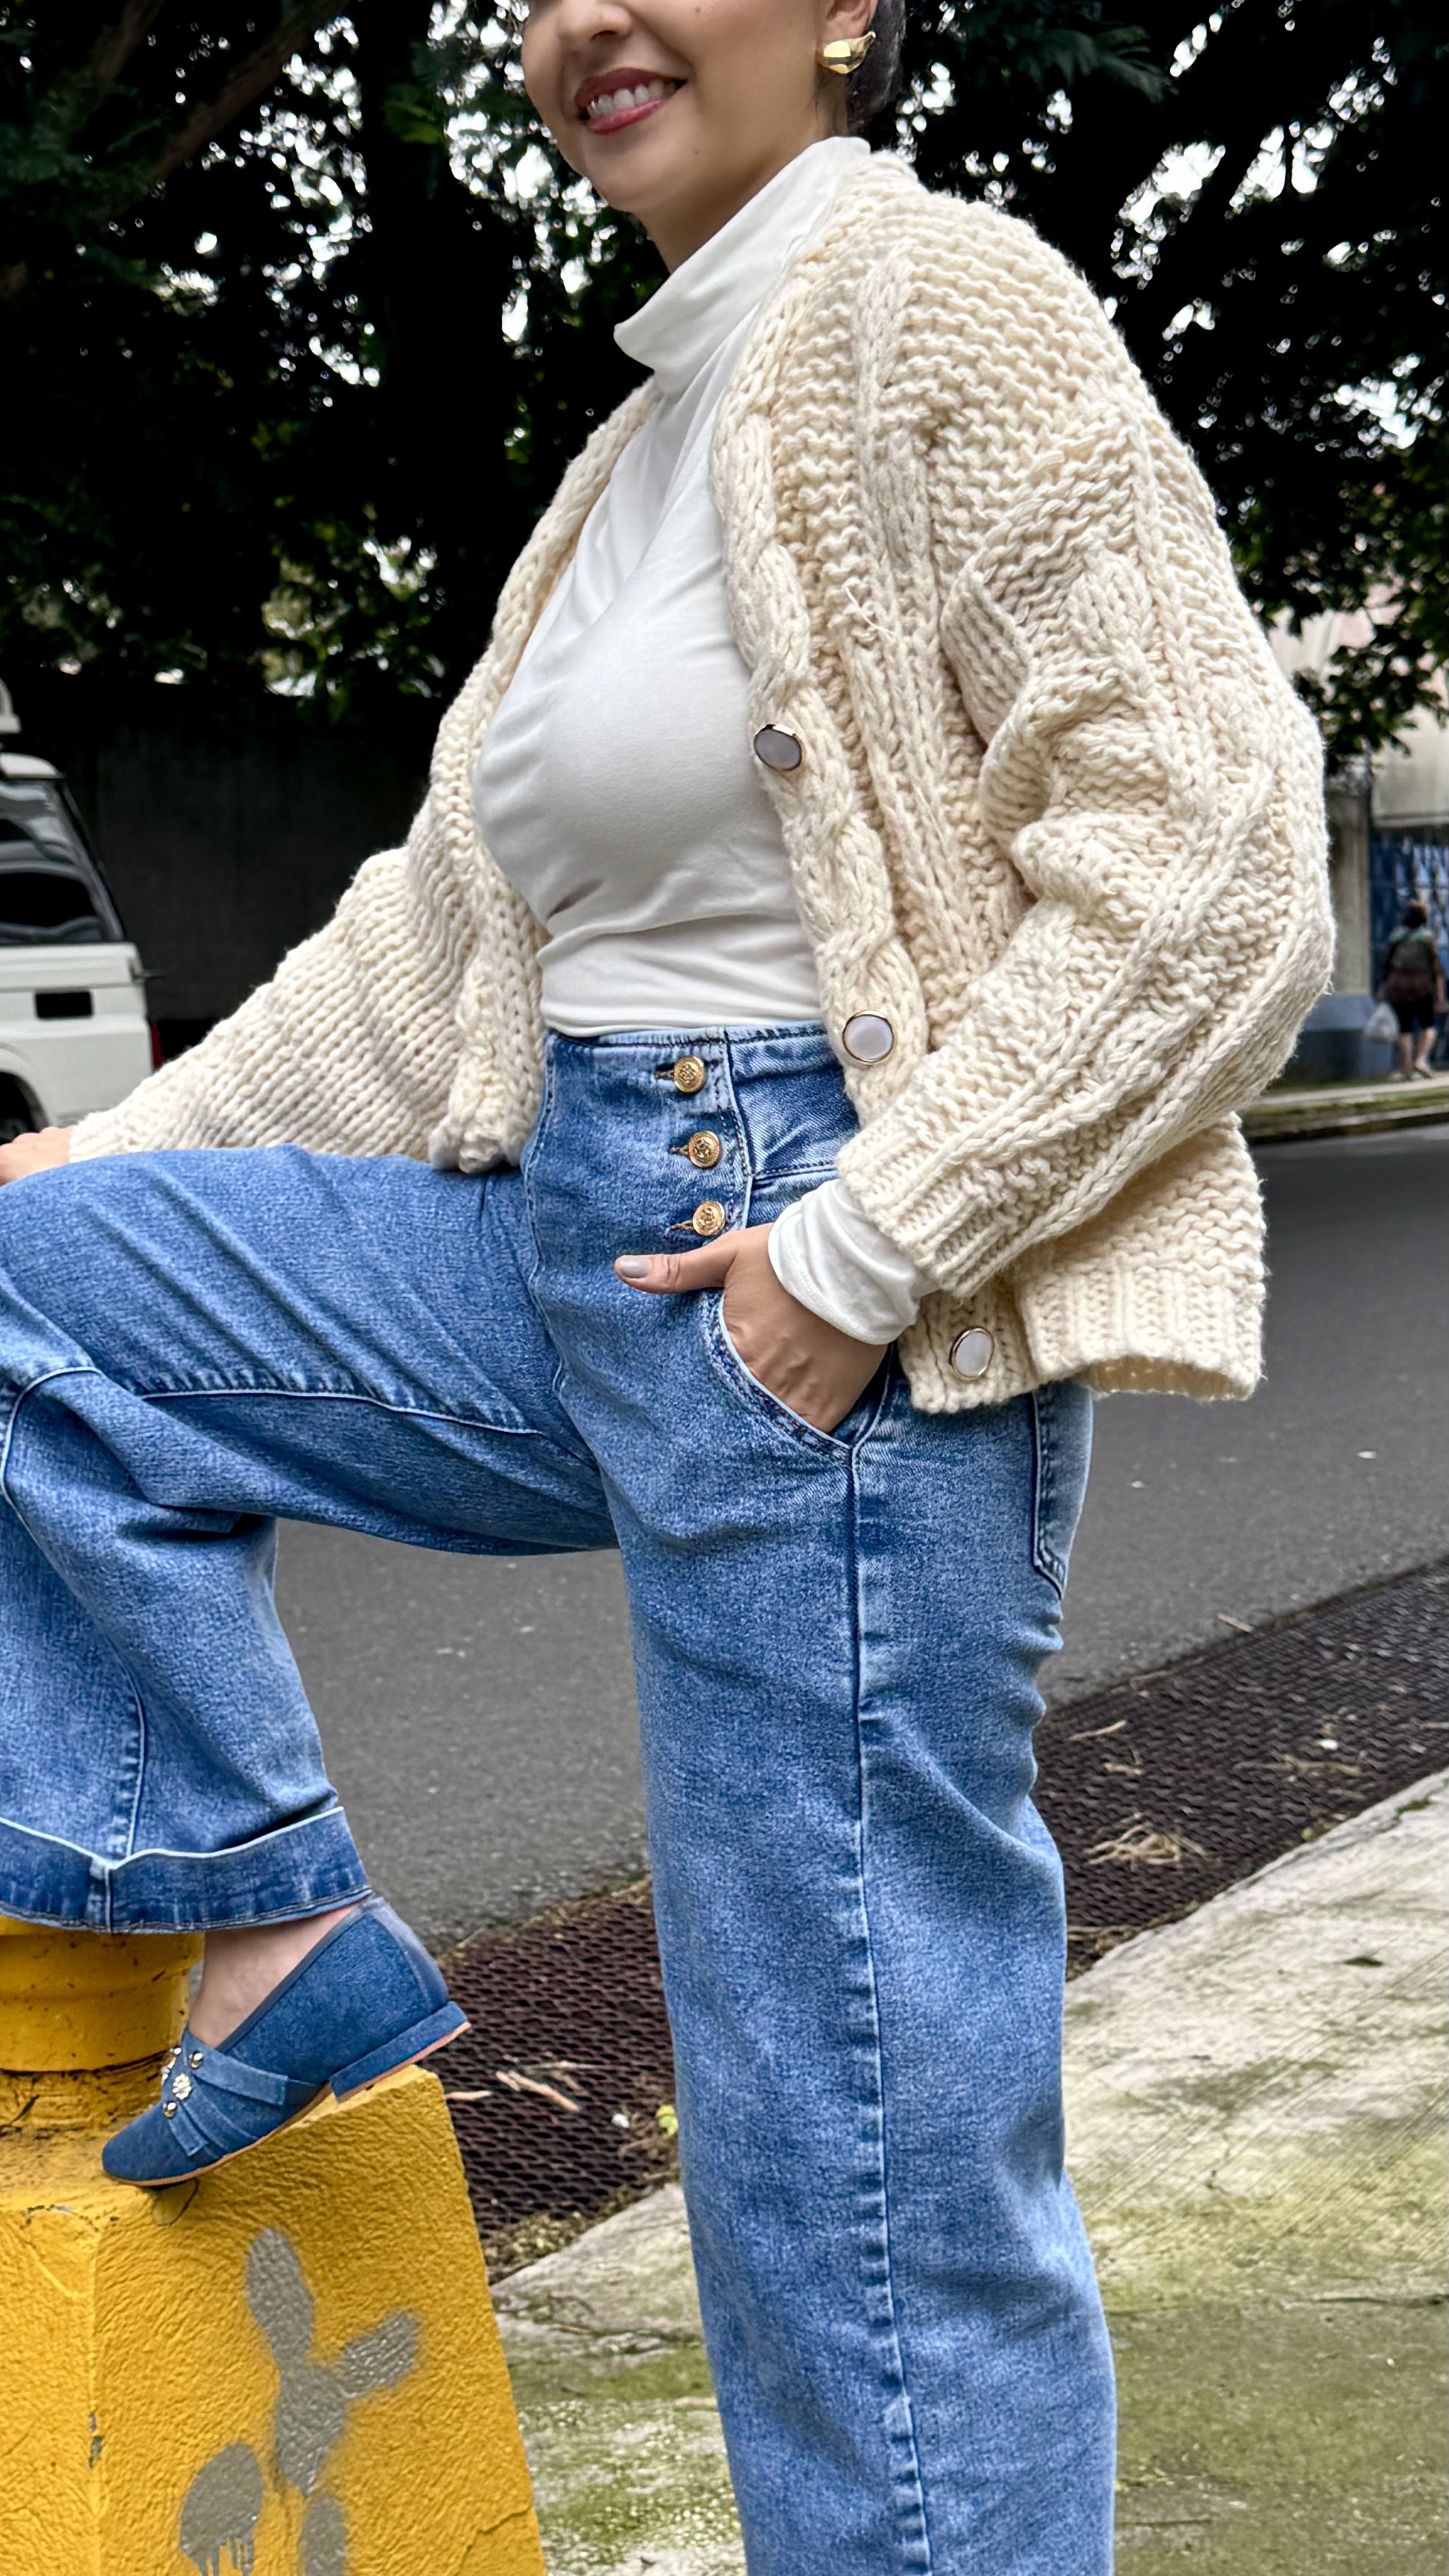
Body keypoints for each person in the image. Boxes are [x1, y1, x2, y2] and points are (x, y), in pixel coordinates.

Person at [0, 4, 1333, 2567]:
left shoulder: (946, 307)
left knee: (849, 2157)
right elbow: (431, 954)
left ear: (846, 6)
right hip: (568, 1234)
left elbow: (1221, 858)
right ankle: (277, 1920)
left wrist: (872, 1238)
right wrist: (115, 1159)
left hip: (812, 1266)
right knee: (38, 1300)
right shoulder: (633, 442)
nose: (590, 14)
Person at [1380, 897, 1444, 1080]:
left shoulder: (1396, 937)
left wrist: (1384, 986)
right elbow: (1435, 968)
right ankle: (1421, 1059)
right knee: (1428, 1024)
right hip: (1422, 986)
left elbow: (1386, 964)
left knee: (1404, 1027)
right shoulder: (1427, 939)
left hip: (1398, 986)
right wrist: (1439, 993)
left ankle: (1407, 1066)